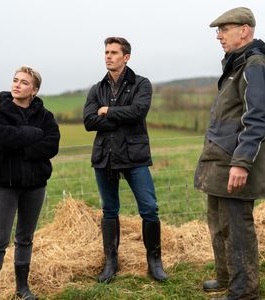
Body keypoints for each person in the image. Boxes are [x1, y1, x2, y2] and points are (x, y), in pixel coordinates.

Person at [194, 7, 265, 300]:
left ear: (244, 30)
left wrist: (242, 163)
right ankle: (226, 277)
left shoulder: (255, 64)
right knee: (218, 224)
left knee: (237, 227)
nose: (218, 35)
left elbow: (257, 117)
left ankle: (244, 291)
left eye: (224, 29)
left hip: (235, 162)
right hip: (220, 161)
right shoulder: (236, 64)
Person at [83, 37, 168, 283]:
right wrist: (120, 115)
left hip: (134, 156)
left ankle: (154, 262)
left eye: (114, 52)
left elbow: (138, 112)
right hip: (105, 156)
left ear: (126, 57)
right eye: (106, 52)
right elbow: (89, 121)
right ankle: (111, 263)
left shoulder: (142, 84)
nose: (108, 56)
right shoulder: (97, 89)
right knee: (109, 210)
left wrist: (108, 111)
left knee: (149, 209)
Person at [0, 66, 60, 300]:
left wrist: (22, 146)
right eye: (15, 80)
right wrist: (35, 134)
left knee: (25, 238)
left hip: (35, 185)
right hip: (5, 184)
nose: (17, 85)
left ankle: (22, 288)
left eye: (24, 82)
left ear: (34, 90)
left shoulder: (45, 116)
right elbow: (4, 139)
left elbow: (52, 145)